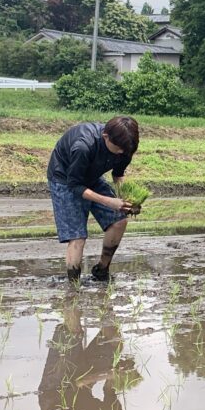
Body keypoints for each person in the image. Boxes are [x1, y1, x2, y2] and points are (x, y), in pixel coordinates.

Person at [38, 297, 132, 410]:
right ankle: (104, 294)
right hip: (82, 386)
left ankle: (72, 287)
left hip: (57, 387)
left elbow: (77, 383)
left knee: (72, 333)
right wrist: (120, 371)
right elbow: (110, 391)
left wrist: (108, 374)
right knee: (115, 344)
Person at [47, 116, 140, 284]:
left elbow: (118, 175)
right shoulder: (83, 146)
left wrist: (126, 199)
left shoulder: (125, 148)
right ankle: (73, 285)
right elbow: (75, 185)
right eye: (118, 148)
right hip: (65, 178)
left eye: (125, 151)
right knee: (77, 237)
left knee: (119, 221)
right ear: (105, 137)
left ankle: (101, 271)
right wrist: (109, 201)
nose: (121, 153)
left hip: (92, 175)